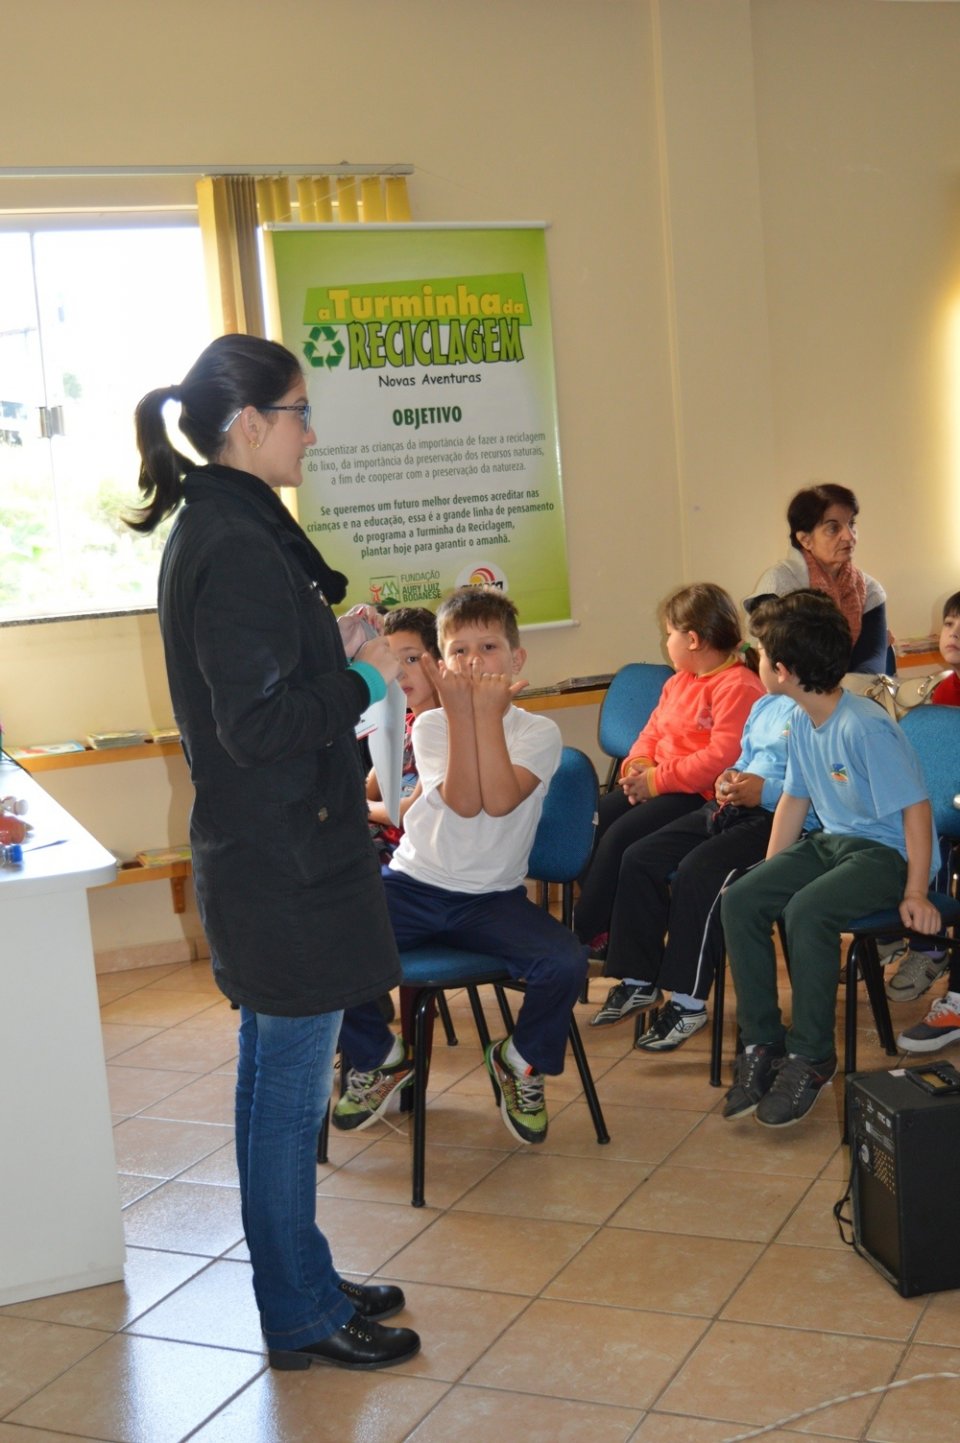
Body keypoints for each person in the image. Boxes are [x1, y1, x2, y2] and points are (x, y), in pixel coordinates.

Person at [127, 334, 420, 1372]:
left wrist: (327, 645)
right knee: (287, 1099)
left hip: (274, 855)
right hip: (285, 865)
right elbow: (256, 726)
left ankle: (303, 1274)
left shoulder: (225, 523)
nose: (311, 433)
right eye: (299, 412)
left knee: (274, 1086)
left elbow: (252, 680)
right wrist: (368, 679)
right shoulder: (238, 542)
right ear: (249, 424)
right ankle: (298, 1311)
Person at [332, 585, 587, 1146]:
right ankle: (379, 1057)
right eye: (460, 651)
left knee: (565, 962)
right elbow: (465, 800)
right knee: (326, 939)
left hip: (492, 900)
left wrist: (486, 716)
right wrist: (467, 714)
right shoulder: (429, 726)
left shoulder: (538, 732)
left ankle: (518, 1060)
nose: (474, 662)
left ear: (517, 659)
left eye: (489, 648)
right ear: (442, 664)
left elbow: (498, 800)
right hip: (414, 884)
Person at [721, 590, 941, 1128]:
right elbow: (794, 800)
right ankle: (761, 1043)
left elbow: (916, 809)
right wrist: (771, 873)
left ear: (784, 670)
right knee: (741, 899)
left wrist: (916, 890)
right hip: (832, 845)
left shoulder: (863, 724)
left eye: (761, 652)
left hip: (887, 854)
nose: (756, 659)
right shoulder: (801, 719)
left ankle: (811, 1054)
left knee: (808, 911)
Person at [590, 690, 813, 1050]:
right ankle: (638, 980)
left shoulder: (815, 711)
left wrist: (765, 791)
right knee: (639, 856)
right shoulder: (766, 704)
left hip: (778, 819)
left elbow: (814, 788)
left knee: (698, 872)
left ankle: (687, 1002)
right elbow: (743, 759)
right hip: (732, 808)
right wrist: (728, 779)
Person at [573, 582, 765, 958]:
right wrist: (640, 765)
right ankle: (609, 926)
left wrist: (656, 781)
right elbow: (651, 733)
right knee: (587, 824)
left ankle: (582, 932)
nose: (667, 643)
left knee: (620, 838)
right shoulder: (678, 682)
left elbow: (720, 759)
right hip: (660, 783)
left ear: (692, 640)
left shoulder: (738, 686)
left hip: (698, 795)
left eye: (669, 634)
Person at [879, 590, 960, 1003]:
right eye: (949, 623)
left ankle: (930, 947)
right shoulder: (940, 691)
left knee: (935, 837)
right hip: (945, 807)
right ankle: (897, 931)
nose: (954, 633)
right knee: (905, 826)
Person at [744, 483, 888, 674]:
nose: (849, 536)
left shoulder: (870, 590)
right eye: (833, 528)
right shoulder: (777, 586)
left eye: (851, 524)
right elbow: (773, 661)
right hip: (790, 690)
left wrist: (845, 691)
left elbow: (872, 661)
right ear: (805, 539)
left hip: (854, 689)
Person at [367, 606, 440, 858]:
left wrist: (362, 808)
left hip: (415, 855)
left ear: (440, 661)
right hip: (381, 841)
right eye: (391, 663)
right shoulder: (399, 726)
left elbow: (413, 809)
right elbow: (368, 788)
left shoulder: (450, 728)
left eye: (411, 659)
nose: (399, 673)